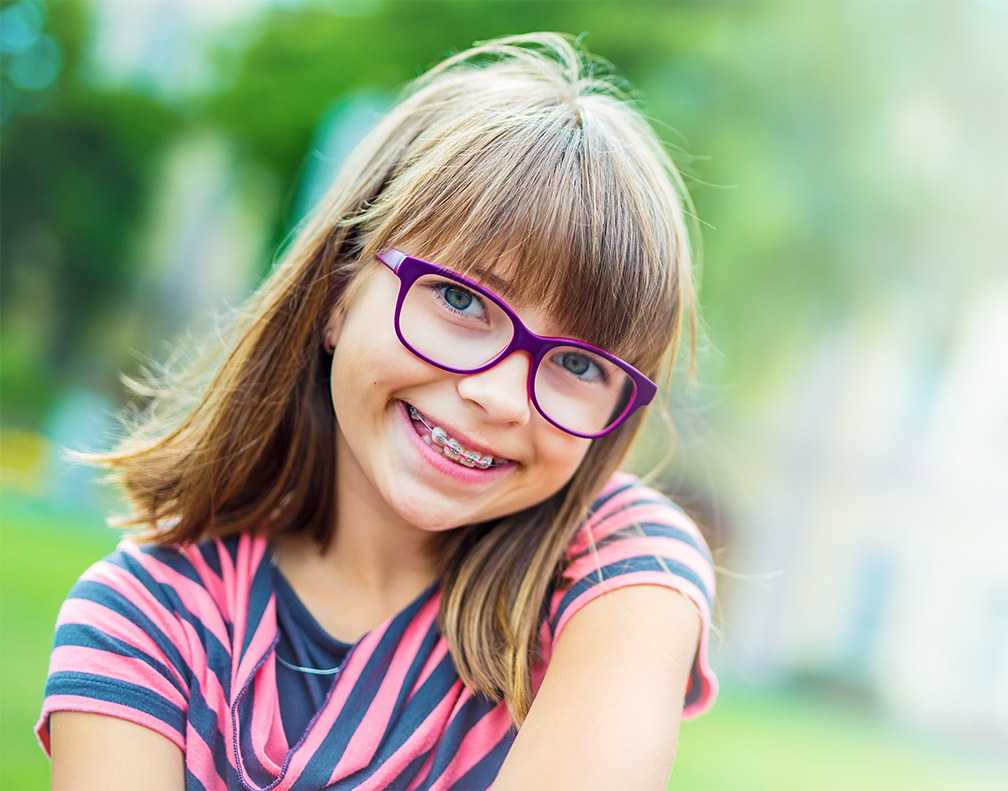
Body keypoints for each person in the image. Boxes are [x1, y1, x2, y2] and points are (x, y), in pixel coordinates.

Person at [36, 33, 717, 790]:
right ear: (338, 289)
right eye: (460, 299)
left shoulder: (624, 562)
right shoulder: (142, 618)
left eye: (579, 363)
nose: (499, 395)